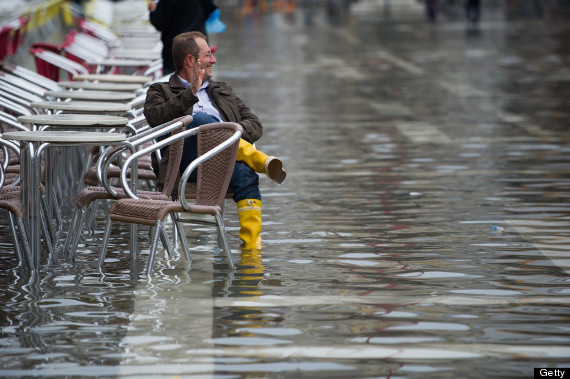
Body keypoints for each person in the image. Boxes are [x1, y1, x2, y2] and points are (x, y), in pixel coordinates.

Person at [143, 31, 286, 249]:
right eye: (208, 55)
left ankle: (252, 253)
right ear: (191, 60)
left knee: (246, 175)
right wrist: (189, 94)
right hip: (184, 165)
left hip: (222, 163)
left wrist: (231, 131)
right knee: (198, 119)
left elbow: (254, 124)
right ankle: (257, 158)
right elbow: (155, 118)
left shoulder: (222, 90)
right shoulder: (160, 90)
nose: (214, 60)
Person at [148, 0, 217, 74]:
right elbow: (209, 8)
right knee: (200, 76)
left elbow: (160, 23)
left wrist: (153, 10)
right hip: (199, 42)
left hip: (176, 47)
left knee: (175, 79)